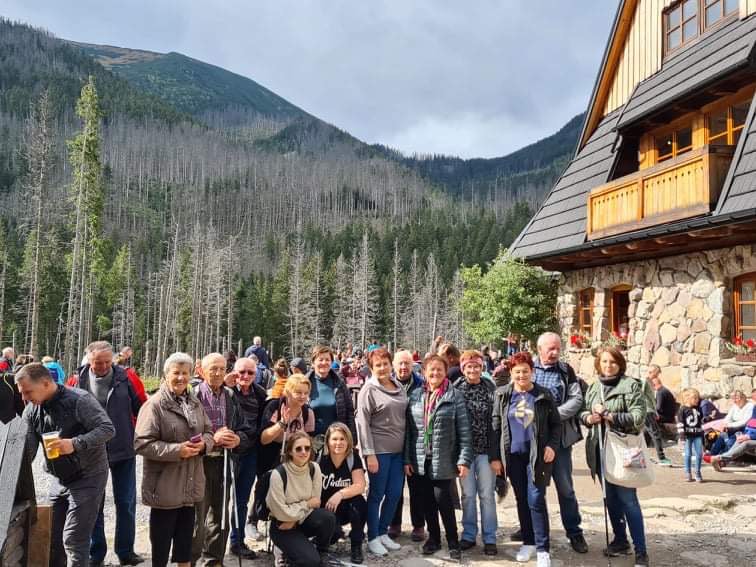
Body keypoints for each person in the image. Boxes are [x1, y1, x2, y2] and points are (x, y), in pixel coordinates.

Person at [18, 363, 115, 567]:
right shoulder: (31, 410)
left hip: (89, 476)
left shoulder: (80, 400)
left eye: (27, 392)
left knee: (74, 539)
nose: (24, 398)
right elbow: (27, 451)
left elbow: (107, 429)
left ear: (45, 383)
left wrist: (75, 443)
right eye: (21, 393)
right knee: (52, 536)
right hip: (58, 479)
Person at [134, 352, 214, 567]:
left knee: (184, 542)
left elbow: (208, 431)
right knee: (161, 544)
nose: (181, 377)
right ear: (166, 374)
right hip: (165, 484)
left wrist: (204, 444)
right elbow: (141, 443)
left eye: (185, 373)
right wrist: (177, 450)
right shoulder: (154, 405)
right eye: (176, 373)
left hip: (191, 482)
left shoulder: (194, 402)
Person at [70, 341, 144, 567]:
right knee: (94, 503)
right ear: (88, 360)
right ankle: (96, 553)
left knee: (126, 502)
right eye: (97, 363)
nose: (102, 366)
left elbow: (142, 407)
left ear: (113, 359)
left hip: (123, 449)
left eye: (106, 362)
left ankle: (125, 551)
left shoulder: (127, 377)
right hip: (90, 452)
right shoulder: (76, 381)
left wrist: (140, 437)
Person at [580, 346, 649, 567]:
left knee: (628, 500)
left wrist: (610, 415)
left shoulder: (630, 386)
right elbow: (582, 411)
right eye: (604, 362)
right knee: (610, 499)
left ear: (620, 364)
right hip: (599, 449)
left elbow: (639, 417)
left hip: (623, 450)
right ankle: (620, 540)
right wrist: (589, 419)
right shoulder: (593, 388)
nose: (608, 366)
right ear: (598, 364)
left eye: (613, 362)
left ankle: (641, 551)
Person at [490, 351, 559, 567]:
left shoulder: (543, 395)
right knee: (522, 499)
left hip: (536, 457)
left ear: (532, 371)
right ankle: (528, 541)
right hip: (512, 456)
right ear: (511, 372)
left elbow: (556, 425)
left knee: (536, 499)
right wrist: (495, 457)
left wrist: (552, 446)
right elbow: (495, 427)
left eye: (526, 371)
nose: (522, 375)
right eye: (517, 372)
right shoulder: (502, 395)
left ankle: (542, 549)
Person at [404, 354, 472, 560]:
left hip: (443, 458)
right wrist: (407, 459)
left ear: (445, 372)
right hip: (419, 459)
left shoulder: (454, 396)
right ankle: (433, 538)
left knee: (443, 500)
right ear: (424, 373)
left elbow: (464, 431)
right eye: (431, 370)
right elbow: (409, 431)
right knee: (427, 502)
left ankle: (452, 540)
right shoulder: (415, 395)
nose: (435, 373)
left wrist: (463, 459)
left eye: (439, 370)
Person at [191, 352, 253, 567]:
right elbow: (181, 431)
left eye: (221, 368)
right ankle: (190, 560)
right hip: (198, 462)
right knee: (197, 516)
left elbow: (245, 429)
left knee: (220, 514)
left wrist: (237, 439)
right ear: (201, 371)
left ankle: (214, 560)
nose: (217, 373)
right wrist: (212, 439)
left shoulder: (230, 396)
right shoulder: (192, 395)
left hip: (225, 461)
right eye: (213, 368)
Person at [530, 332, 588, 554]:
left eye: (557, 348)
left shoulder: (566, 371)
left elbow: (577, 400)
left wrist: (553, 415)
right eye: (550, 349)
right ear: (539, 349)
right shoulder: (529, 368)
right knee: (535, 489)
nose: (554, 353)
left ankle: (574, 532)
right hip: (534, 441)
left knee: (565, 489)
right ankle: (534, 529)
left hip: (561, 441)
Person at [355, 348, 408, 557]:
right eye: (378, 365)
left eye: (386, 363)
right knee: (377, 494)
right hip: (379, 452)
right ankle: (373, 536)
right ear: (371, 367)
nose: (383, 368)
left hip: (398, 452)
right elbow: (363, 423)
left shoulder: (399, 387)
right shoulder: (369, 390)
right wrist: (369, 454)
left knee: (395, 494)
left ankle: (384, 530)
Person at [266, 431, 337, 567]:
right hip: (282, 527)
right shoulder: (278, 474)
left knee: (328, 518)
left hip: (299, 520)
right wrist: (306, 504)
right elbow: (281, 512)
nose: (304, 452)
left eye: (307, 448)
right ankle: (282, 548)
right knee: (310, 562)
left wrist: (294, 517)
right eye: (298, 448)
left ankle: (322, 553)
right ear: (290, 451)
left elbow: (315, 502)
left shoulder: (314, 468)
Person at [454, 350, 498, 556]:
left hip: (486, 451)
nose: (473, 369)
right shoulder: (455, 390)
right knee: (468, 495)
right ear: (463, 369)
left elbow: (497, 421)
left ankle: (490, 537)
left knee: (487, 495)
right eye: (469, 366)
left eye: (477, 366)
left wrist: (496, 453)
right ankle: (469, 534)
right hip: (465, 452)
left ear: (482, 368)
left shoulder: (491, 388)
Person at [226, 357, 267, 559]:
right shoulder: (225, 390)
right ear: (234, 371)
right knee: (217, 499)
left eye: (250, 373)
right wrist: (224, 383)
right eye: (241, 372)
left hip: (249, 450)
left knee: (241, 500)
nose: (245, 376)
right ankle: (210, 542)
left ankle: (237, 541)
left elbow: (262, 424)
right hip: (224, 451)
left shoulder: (259, 394)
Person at [388, 349, 426, 541]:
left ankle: (419, 525)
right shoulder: (386, 383)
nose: (403, 367)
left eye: (407, 364)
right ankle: (394, 523)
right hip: (393, 440)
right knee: (395, 486)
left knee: (417, 486)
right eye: (400, 364)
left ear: (413, 365)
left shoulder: (422, 385)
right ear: (394, 366)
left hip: (416, 441)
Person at [318, 422, 367, 564]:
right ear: (328, 441)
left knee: (360, 504)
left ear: (348, 441)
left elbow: (360, 485)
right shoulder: (321, 459)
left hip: (345, 508)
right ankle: (323, 542)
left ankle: (356, 545)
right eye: (334, 439)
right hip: (324, 509)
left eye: (342, 439)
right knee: (334, 535)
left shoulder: (353, 458)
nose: (338, 443)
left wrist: (339, 494)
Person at [306, 345, 356, 447]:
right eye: (320, 360)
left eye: (327, 360)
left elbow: (349, 412)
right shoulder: (305, 383)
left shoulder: (339, 383)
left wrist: (352, 440)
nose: (324, 363)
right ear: (313, 362)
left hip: (337, 442)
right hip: (311, 442)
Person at [709, 390, 755, 455]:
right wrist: (724, 424)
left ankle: (723, 457)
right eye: (733, 399)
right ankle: (713, 454)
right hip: (733, 427)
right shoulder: (735, 406)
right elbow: (728, 417)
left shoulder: (750, 406)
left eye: (736, 398)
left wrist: (728, 425)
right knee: (721, 436)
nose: (734, 401)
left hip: (744, 429)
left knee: (731, 441)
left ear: (743, 397)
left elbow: (744, 421)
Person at [642, 365, 671, 465]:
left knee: (646, 433)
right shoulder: (645, 381)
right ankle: (662, 458)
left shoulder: (649, 382)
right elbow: (641, 396)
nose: (658, 375)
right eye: (657, 373)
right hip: (647, 411)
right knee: (656, 434)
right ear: (653, 372)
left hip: (649, 410)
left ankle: (642, 456)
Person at [677, 388, 704, 482]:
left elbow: (700, 422)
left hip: (697, 435)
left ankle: (697, 471)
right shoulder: (682, 410)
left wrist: (708, 418)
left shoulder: (699, 409)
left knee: (699, 454)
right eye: (695, 398)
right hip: (687, 436)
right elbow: (680, 423)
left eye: (698, 398)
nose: (698, 400)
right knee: (688, 454)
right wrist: (682, 436)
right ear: (687, 398)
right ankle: (688, 472)